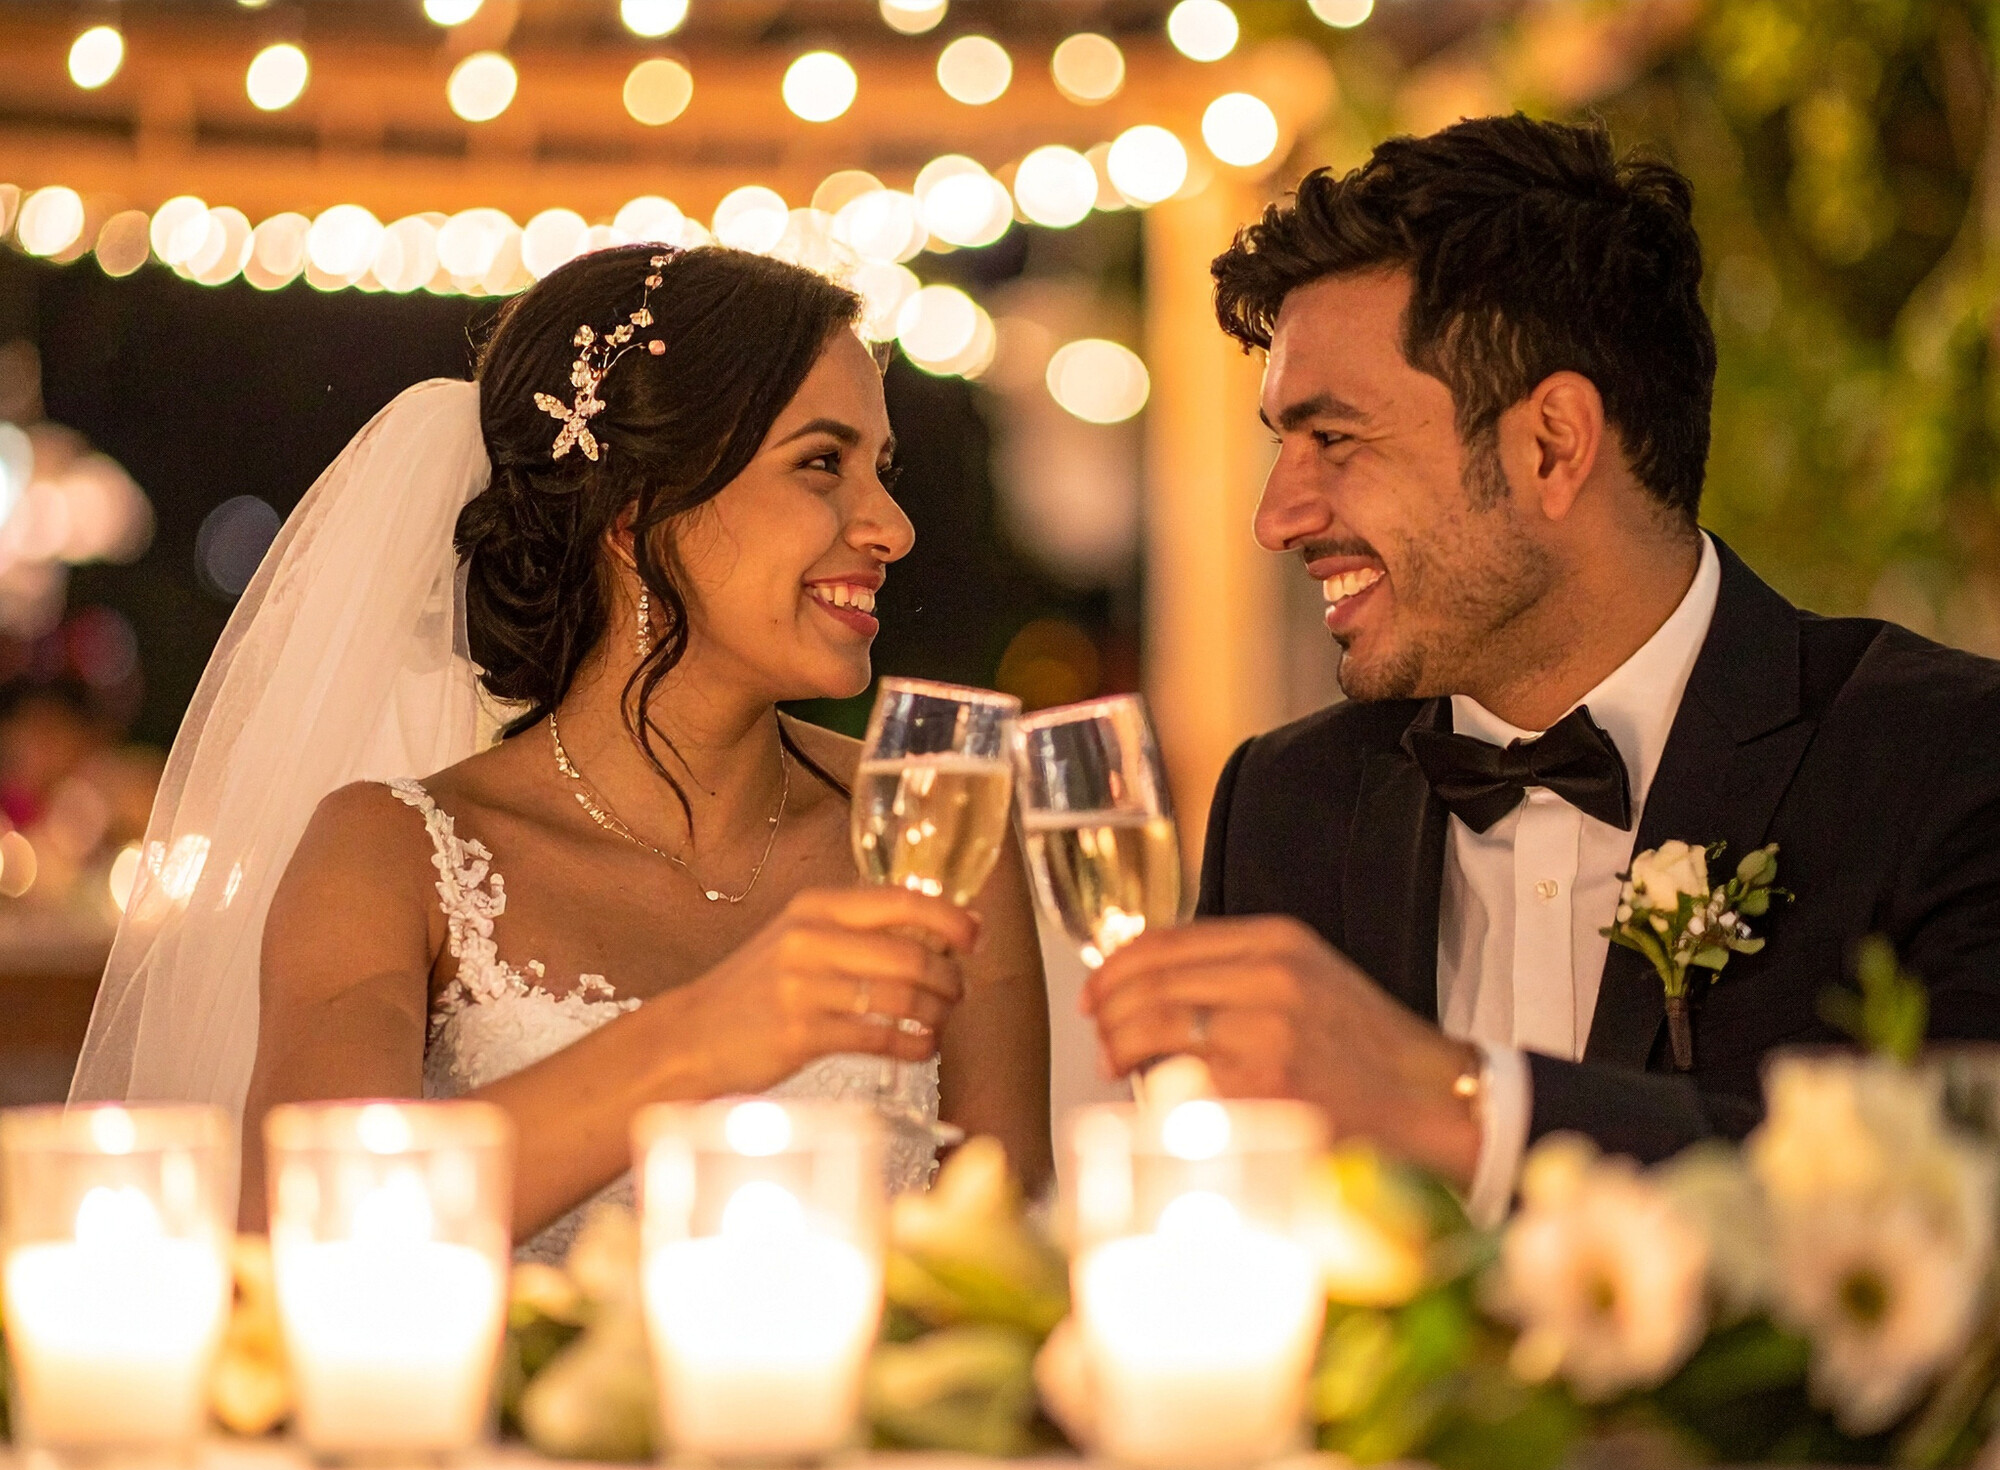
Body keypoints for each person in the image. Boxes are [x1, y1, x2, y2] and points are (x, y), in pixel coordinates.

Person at [1083, 115, 2000, 1223]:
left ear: (1551, 445)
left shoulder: (1945, 766)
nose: (1277, 517)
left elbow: (1955, 1212)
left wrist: (1451, 1100)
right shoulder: (1285, 808)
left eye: (1335, 441)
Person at [71, 246, 1052, 1256]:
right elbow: (299, 1228)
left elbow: (1013, 1252)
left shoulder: (937, 825)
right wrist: (706, 1038)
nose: (890, 526)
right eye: (819, 463)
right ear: (636, 513)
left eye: (879, 472)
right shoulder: (391, 854)